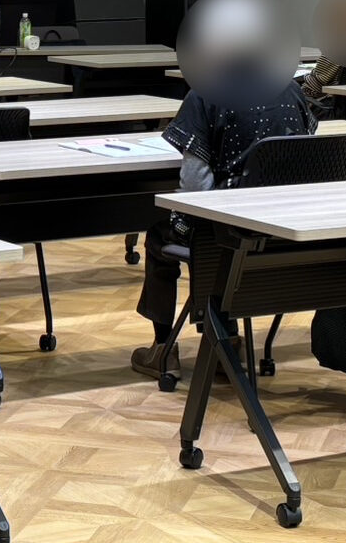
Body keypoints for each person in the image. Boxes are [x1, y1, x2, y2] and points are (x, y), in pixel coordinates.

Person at [131, 78, 317, 379]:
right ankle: (226, 342)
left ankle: (163, 350)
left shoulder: (204, 94)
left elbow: (195, 186)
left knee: (161, 235)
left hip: (231, 233)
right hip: (286, 231)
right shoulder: (291, 90)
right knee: (213, 240)